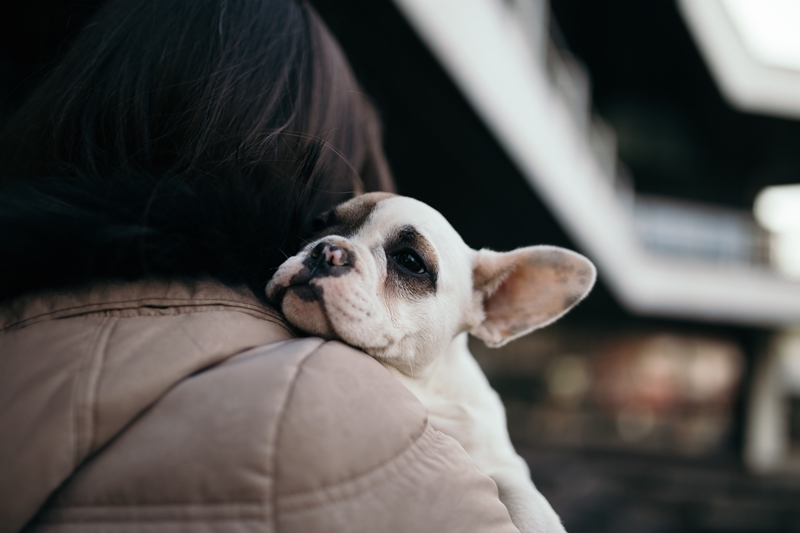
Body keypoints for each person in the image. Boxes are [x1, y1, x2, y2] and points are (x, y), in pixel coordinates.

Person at [0, 1, 522, 532]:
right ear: (309, 173)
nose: (336, 251)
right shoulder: (351, 418)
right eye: (326, 224)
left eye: (408, 263)